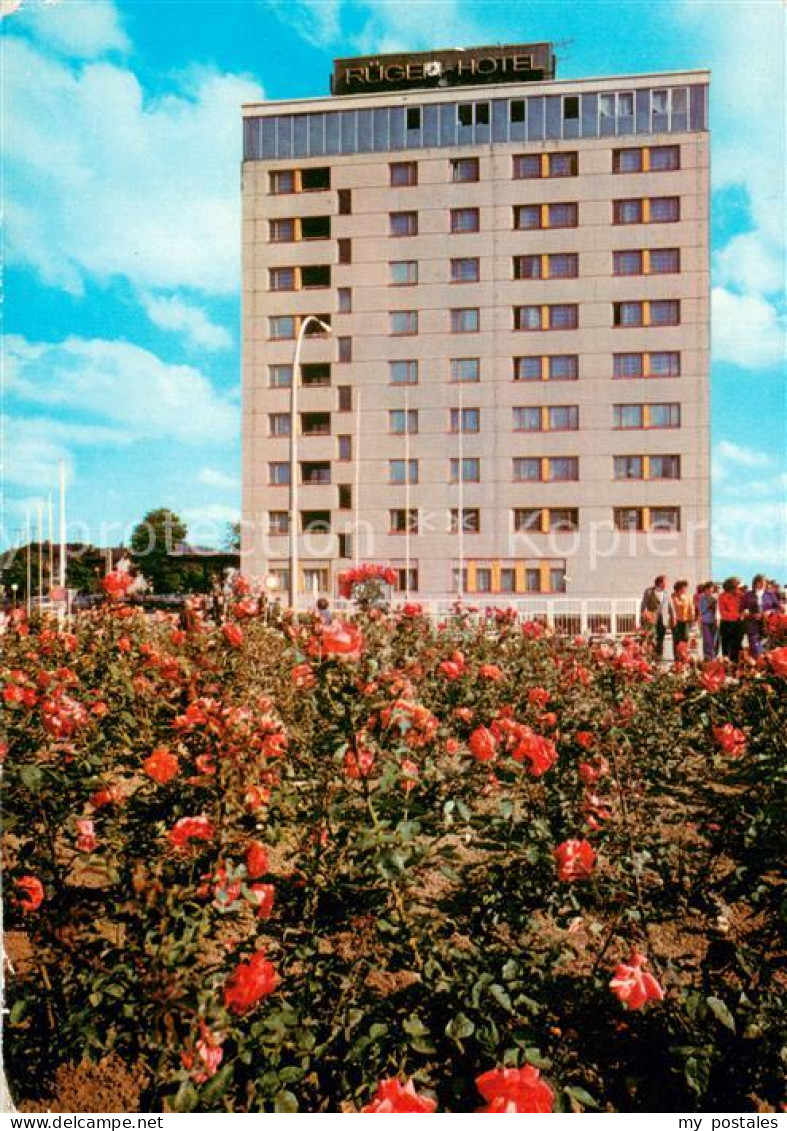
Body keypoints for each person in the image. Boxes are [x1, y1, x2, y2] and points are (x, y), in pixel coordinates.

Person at [742, 573, 779, 659]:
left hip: (767, 625)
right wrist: (747, 612)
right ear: (755, 583)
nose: (763, 584)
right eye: (761, 582)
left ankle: (760, 667)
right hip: (752, 624)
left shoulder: (770, 594)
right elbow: (742, 608)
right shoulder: (748, 595)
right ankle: (757, 662)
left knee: (766, 648)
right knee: (755, 647)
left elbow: (778, 608)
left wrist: (770, 611)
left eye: (764, 582)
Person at [640, 575, 672, 658]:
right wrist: (643, 614)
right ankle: (652, 654)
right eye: (665, 582)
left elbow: (670, 605)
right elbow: (644, 603)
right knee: (652, 636)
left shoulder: (666, 592)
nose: (667, 584)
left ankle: (660, 654)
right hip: (652, 617)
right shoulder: (649, 591)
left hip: (663, 618)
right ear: (660, 583)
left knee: (661, 636)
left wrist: (673, 615)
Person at [718, 576, 744, 662]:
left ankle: (737, 666)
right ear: (731, 587)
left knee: (738, 646)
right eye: (737, 586)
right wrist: (737, 615)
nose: (738, 587)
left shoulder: (740, 595)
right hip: (727, 625)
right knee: (726, 647)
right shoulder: (722, 597)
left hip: (738, 624)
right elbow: (723, 613)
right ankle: (726, 666)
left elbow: (745, 607)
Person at [670, 579, 694, 655]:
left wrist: (692, 619)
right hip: (676, 621)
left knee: (686, 638)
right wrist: (680, 598)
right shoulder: (673, 596)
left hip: (686, 620)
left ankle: (684, 655)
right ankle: (677, 657)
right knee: (676, 640)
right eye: (684, 587)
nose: (686, 589)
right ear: (680, 588)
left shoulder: (688, 597)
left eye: (686, 587)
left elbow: (691, 608)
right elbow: (676, 605)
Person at [697, 581, 719, 660]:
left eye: (712, 590)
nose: (710, 592)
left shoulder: (715, 598)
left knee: (713, 640)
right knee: (707, 640)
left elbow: (718, 611)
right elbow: (701, 610)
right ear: (705, 589)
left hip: (714, 622)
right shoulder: (701, 598)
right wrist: (710, 605)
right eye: (709, 590)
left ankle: (711, 656)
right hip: (705, 622)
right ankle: (708, 656)